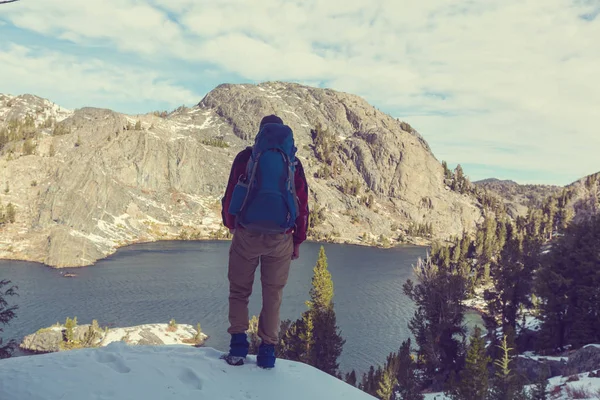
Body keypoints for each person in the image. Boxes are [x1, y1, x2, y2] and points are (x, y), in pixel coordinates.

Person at [220, 114, 309, 369]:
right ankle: (267, 354)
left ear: (260, 134)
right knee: (273, 295)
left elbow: (230, 196)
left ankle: (238, 350)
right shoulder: (293, 162)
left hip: (247, 234)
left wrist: (232, 225)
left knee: (239, 291)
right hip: (280, 239)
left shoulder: (245, 158)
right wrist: (298, 241)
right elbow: (302, 205)